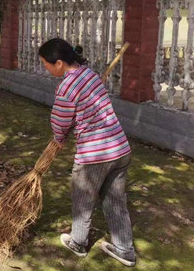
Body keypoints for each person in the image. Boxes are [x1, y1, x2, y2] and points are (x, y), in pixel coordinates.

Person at [38, 38, 136, 267]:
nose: (46, 68)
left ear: (59, 63)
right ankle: (125, 250)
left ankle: (79, 242)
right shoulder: (88, 74)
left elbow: (61, 122)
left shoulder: (66, 87)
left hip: (95, 154)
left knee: (82, 197)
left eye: (45, 64)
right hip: (120, 148)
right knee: (115, 200)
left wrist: (59, 139)